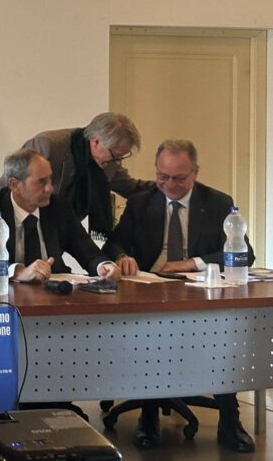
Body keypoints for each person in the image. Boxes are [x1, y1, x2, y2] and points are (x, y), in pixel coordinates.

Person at [102, 139, 255, 452]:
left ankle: (230, 420)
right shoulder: (141, 202)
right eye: (162, 176)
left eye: (179, 178)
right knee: (147, 337)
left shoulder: (217, 202)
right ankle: (148, 417)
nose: (169, 185)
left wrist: (192, 262)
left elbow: (244, 254)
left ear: (195, 173)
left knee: (223, 337)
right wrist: (121, 257)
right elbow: (113, 243)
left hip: (198, 292)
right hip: (150, 289)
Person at [0, 149, 121, 283]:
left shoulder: (59, 207)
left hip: (54, 295)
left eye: (50, 179)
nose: (49, 188)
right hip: (5, 297)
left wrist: (104, 266)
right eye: (41, 181)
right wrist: (18, 272)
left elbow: (87, 250)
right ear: (15, 185)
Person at [0, 112, 151, 236]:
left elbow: (133, 188)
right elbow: (6, 185)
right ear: (95, 141)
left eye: (122, 156)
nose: (117, 161)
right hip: (23, 227)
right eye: (114, 154)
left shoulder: (108, 163)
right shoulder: (48, 145)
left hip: (61, 232)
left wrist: (164, 184)